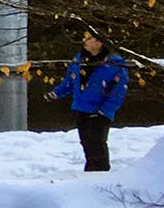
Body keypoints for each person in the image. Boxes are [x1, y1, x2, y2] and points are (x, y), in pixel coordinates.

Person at [47, 29, 128, 172]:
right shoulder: (79, 60)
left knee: (97, 144)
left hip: (100, 111)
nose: (84, 41)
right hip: (81, 108)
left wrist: (105, 110)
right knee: (87, 144)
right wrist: (56, 93)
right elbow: (70, 82)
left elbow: (118, 92)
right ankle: (91, 173)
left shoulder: (114, 64)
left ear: (99, 42)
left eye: (89, 38)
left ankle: (101, 174)